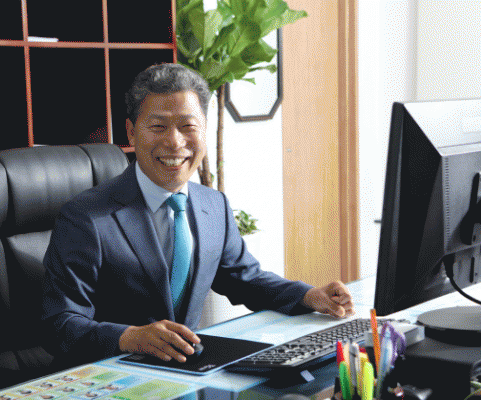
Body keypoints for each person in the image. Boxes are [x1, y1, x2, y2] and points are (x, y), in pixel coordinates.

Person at [41, 63, 354, 366]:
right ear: (132, 132)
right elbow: (58, 323)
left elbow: (246, 279)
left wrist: (309, 295)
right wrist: (129, 337)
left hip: (187, 373)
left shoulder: (213, 205)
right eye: (158, 126)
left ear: (204, 130)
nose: (175, 142)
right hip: (111, 374)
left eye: (188, 126)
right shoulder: (85, 218)